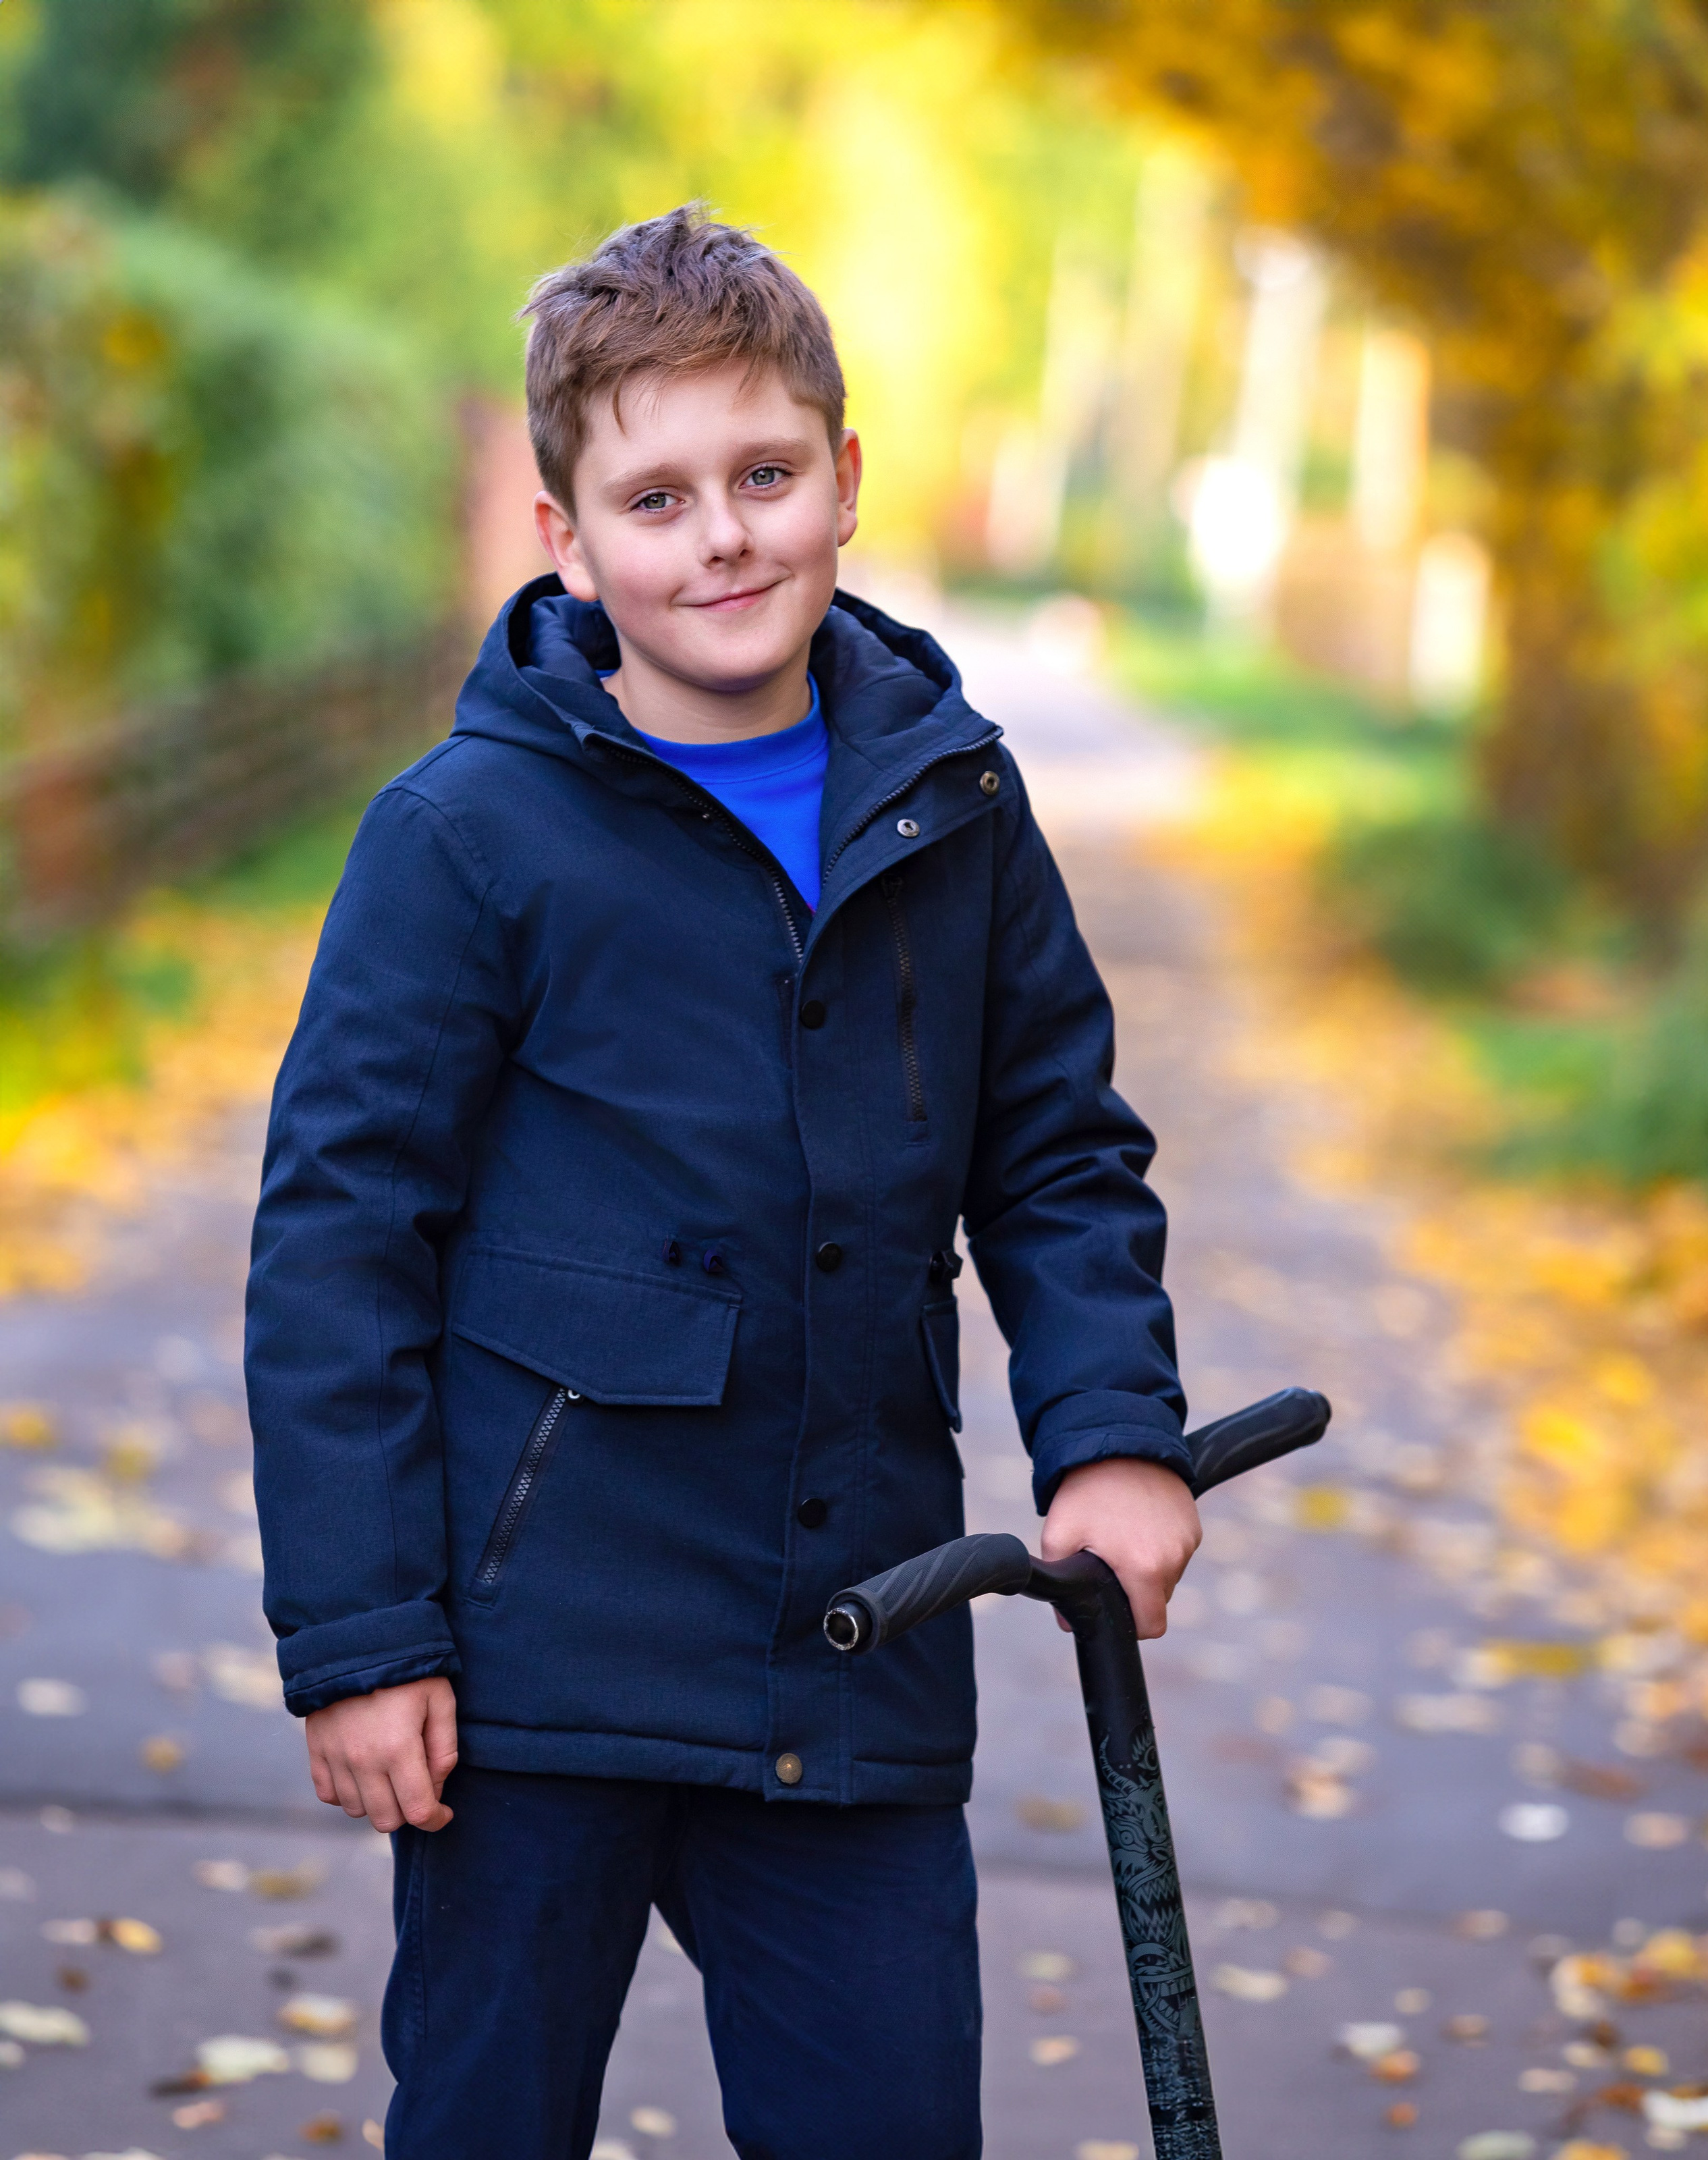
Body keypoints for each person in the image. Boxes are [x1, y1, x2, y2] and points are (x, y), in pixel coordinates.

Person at [246, 202, 1198, 2160]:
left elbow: (1056, 1148)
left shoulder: (960, 804)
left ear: (846, 479)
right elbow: (338, 1243)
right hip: (532, 1683)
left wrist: (1112, 1432)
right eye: (657, 497)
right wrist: (364, 1645)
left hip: (858, 1647)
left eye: (765, 476)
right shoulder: (468, 837)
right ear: (564, 535)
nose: (725, 536)